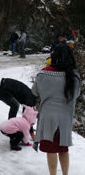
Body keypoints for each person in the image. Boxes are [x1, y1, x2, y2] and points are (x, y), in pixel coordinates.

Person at [32, 43, 80, 175]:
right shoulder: (73, 76)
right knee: (63, 150)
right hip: (65, 118)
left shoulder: (43, 73)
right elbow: (76, 94)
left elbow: (35, 91)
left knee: (51, 150)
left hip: (48, 117)